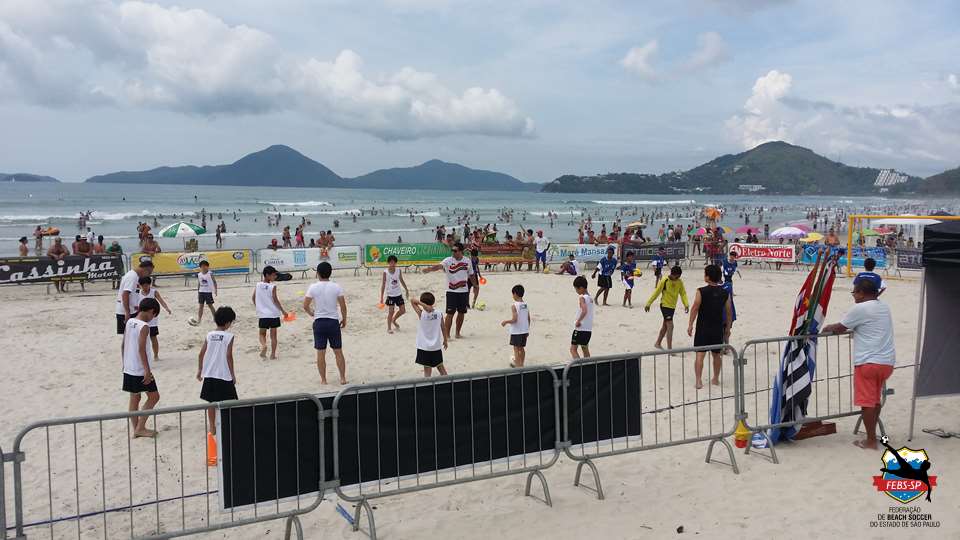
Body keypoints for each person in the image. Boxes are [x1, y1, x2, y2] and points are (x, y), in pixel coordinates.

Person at [822, 279, 895, 450]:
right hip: (886, 362)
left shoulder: (860, 308)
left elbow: (840, 327)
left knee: (867, 402)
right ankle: (872, 434)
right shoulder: (884, 307)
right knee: (875, 399)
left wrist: (827, 328)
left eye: (854, 292)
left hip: (868, 362)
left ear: (861, 293)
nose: (853, 296)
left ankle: (871, 441)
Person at [686, 265, 732, 389]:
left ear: (707, 277)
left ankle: (698, 380)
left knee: (700, 355)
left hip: (703, 327)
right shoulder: (725, 293)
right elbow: (729, 312)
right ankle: (716, 379)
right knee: (717, 355)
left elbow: (695, 307)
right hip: (717, 328)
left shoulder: (701, 291)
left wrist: (690, 324)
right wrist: (728, 329)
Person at [121, 297, 161, 438]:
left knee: (134, 398)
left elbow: (123, 345)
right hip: (139, 369)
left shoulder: (129, 321)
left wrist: (124, 363)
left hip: (129, 367)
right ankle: (140, 428)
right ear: (151, 311)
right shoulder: (144, 326)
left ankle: (136, 428)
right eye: (154, 315)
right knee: (154, 396)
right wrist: (147, 370)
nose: (152, 318)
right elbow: (141, 349)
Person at [196, 306, 238, 438]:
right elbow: (229, 356)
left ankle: (212, 426)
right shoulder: (229, 336)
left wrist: (200, 370)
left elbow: (201, 354)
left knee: (211, 402)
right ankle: (228, 424)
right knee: (230, 402)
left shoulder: (209, 335)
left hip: (209, 373)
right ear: (228, 322)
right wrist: (233, 374)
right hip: (223, 374)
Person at [303, 262, 348, 385]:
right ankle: (342, 378)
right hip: (333, 322)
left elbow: (305, 306)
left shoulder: (313, 287)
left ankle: (323, 380)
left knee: (320, 352)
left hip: (319, 322)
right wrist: (344, 319)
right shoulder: (336, 286)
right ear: (330, 273)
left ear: (317, 273)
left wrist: (312, 314)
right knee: (338, 351)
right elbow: (343, 306)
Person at [423, 242, 476, 340]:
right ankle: (447, 335)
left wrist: (475, 285)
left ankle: (457, 333)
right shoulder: (448, 260)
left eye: (455, 251)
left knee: (461, 313)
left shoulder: (467, 261)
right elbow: (439, 266)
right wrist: (429, 269)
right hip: (451, 291)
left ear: (461, 251)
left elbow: (471, 274)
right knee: (450, 313)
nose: (453, 252)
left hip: (464, 291)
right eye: (452, 250)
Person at [645, 265, 690, 350]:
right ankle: (670, 349)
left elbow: (683, 293)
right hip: (665, 305)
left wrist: (686, 304)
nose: (678, 278)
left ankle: (658, 343)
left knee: (665, 327)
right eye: (677, 276)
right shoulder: (664, 280)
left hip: (672, 307)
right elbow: (656, 292)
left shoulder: (679, 282)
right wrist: (649, 303)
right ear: (673, 274)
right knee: (670, 326)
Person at [131, 276, 172, 360]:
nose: (145, 287)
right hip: (141, 319)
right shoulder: (137, 293)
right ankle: (140, 355)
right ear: (140, 285)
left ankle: (156, 355)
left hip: (152, 319)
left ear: (150, 284)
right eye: (143, 286)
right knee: (141, 337)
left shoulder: (154, 292)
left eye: (146, 285)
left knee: (153, 337)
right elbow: (134, 305)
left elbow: (161, 300)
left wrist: (166, 308)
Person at [253, 265, 288, 360]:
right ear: (267, 275)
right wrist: (283, 311)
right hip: (273, 314)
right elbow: (275, 300)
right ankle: (272, 354)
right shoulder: (272, 286)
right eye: (273, 275)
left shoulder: (258, 285)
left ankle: (264, 345)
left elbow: (253, 298)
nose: (275, 276)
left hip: (263, 315)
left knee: (262, 334)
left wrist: (259, 307)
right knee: (273, 336)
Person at [411, 292, 448, 377]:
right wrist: (445, 340)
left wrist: (422, 304)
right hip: (436, 347)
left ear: (422, 302)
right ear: (433, 302)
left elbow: (412, 301)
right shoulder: (439, 313)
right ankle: (449, 383)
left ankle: (428, 385)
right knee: (441, 369)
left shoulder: (421, 313)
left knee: (427, 372)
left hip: (424, 347)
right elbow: (443, 328)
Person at [116, 259, 154, 334]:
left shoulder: (135, 276)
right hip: (125, 312)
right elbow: (125, 294)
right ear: (145, 269)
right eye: (149, 273)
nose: (148, 275)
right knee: (127, 336)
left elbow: (133, 294)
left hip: (132, 310)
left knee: (134, 334)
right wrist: (127, 312)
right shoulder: (132, 277)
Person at [500, 284, 531, 368]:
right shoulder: (525, 305)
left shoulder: (514, 306)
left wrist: (506, 322)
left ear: (515, 294)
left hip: (516, 331)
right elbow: (528, 318)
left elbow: (514, 320)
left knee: (516, 349)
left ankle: (518, 366)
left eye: (512, 294)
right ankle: (521, 364)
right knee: (522, 348)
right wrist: (527, 330)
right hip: (524, 330)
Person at [379, 255, 409, 334]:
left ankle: (394, 320)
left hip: (398, 294)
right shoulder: (385, 272)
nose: (392, 264)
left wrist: (406, 289)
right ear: (388, 263)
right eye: (391, 262)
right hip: (390, 295)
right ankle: (389, 328)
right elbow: (383, 284)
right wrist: (381, 297)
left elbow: (401, 280)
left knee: (403, 310)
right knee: (391, 312)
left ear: (396, 263)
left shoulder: (398, 270)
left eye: (394, 262)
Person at [570, 275, 595, 359]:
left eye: (576, 289)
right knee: (585, 348)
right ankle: (588, 365)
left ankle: (579, 365)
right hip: (588, 329)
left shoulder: (582, 297)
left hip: (580, 328)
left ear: (580, 288)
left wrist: (578, 321)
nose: (576, 291)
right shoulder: (590, 298)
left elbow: (584, 311)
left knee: (573, 349)